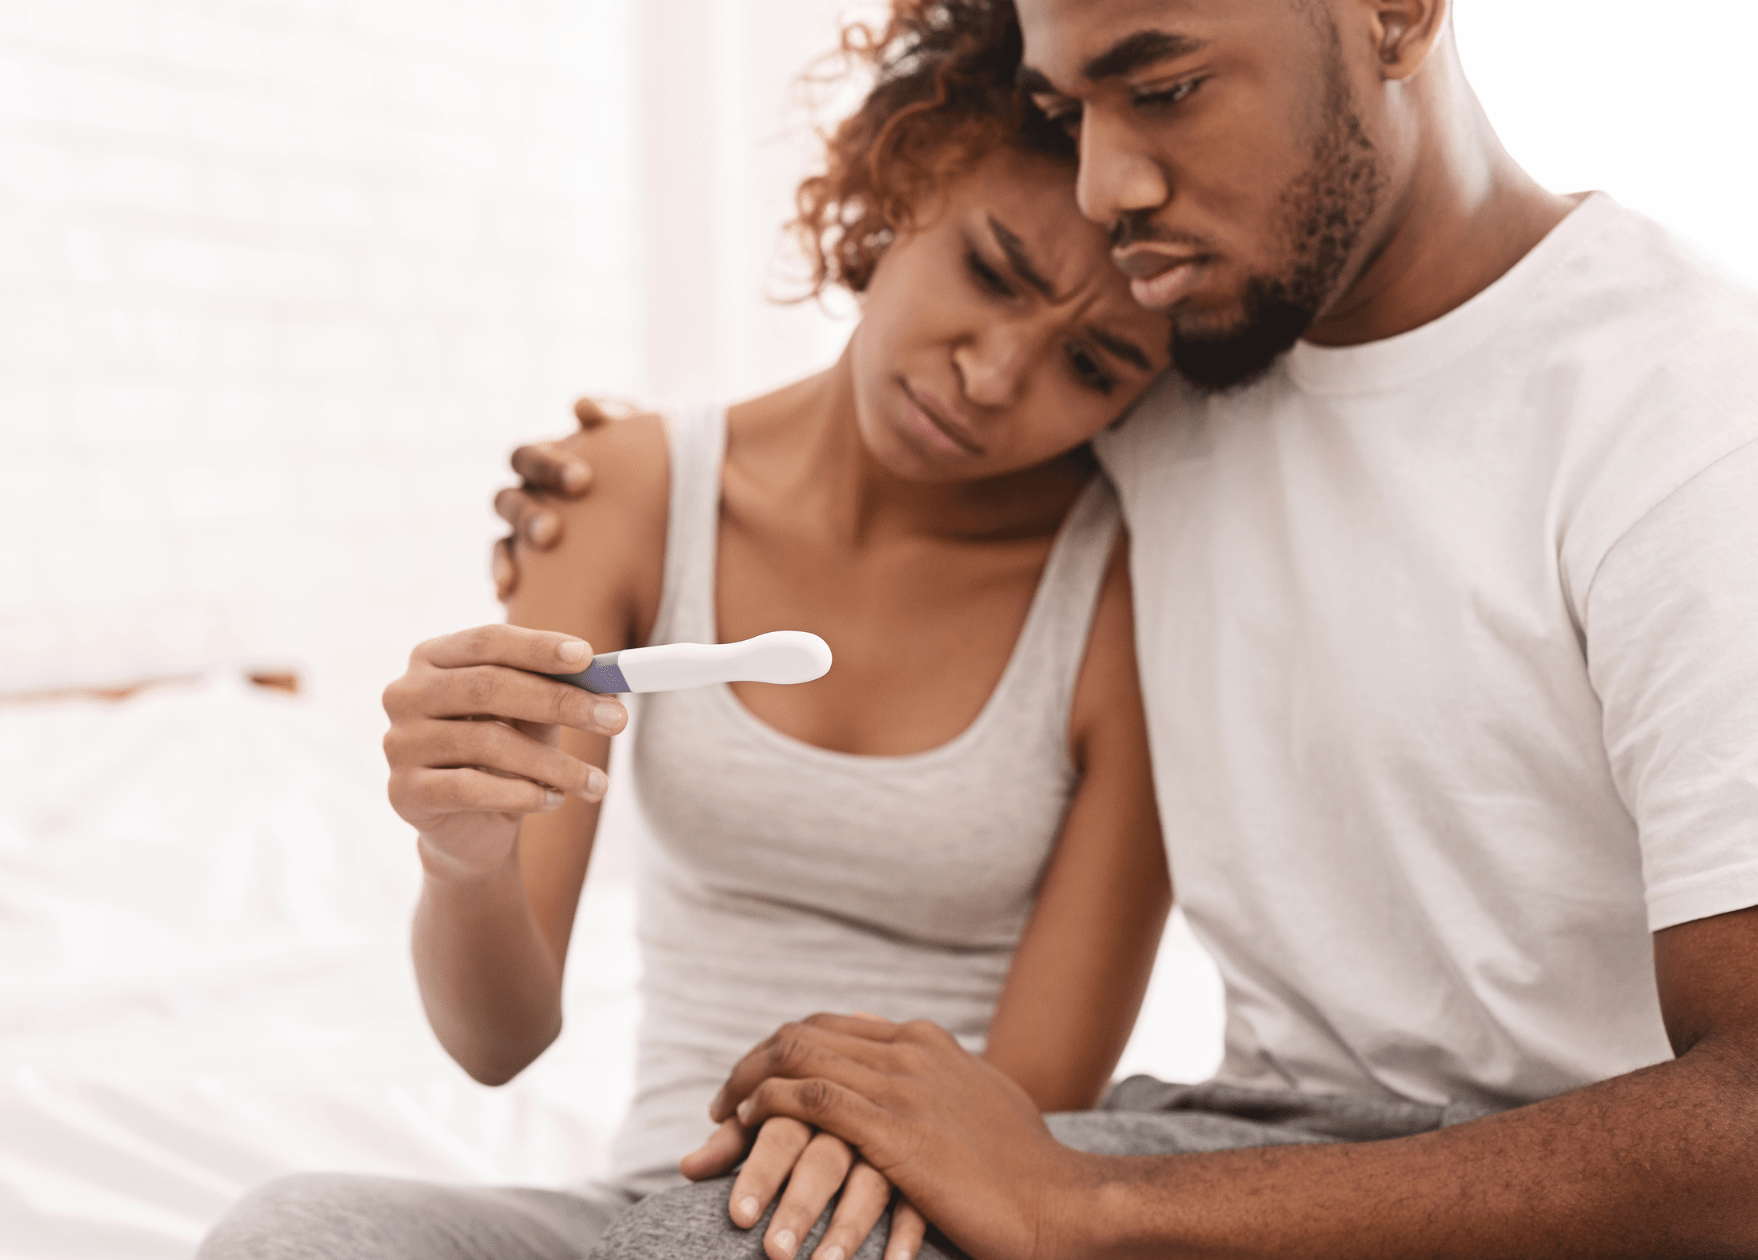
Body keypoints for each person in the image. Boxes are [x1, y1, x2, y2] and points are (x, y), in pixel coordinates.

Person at [499, 0, 1758, 1256]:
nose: (1104, 184)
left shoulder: (1685, 422)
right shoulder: (1175, 364)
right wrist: (627, 485)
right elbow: (901, 434)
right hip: (1239, 1127)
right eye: (1064, 110)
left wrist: (1082, 1205)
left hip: (1582, 1185)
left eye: (1159, 89)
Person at [197, 5, 1182, 1259]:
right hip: (642, 1207)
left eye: (1090, 367)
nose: (993, 377)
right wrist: (464, 858)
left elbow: (1036, 1103)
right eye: (991, 271)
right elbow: (497, 1043)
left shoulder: (1120, 595)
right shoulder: (626, 493)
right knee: (292, 1230)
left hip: (912, 1217)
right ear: (900, 187)